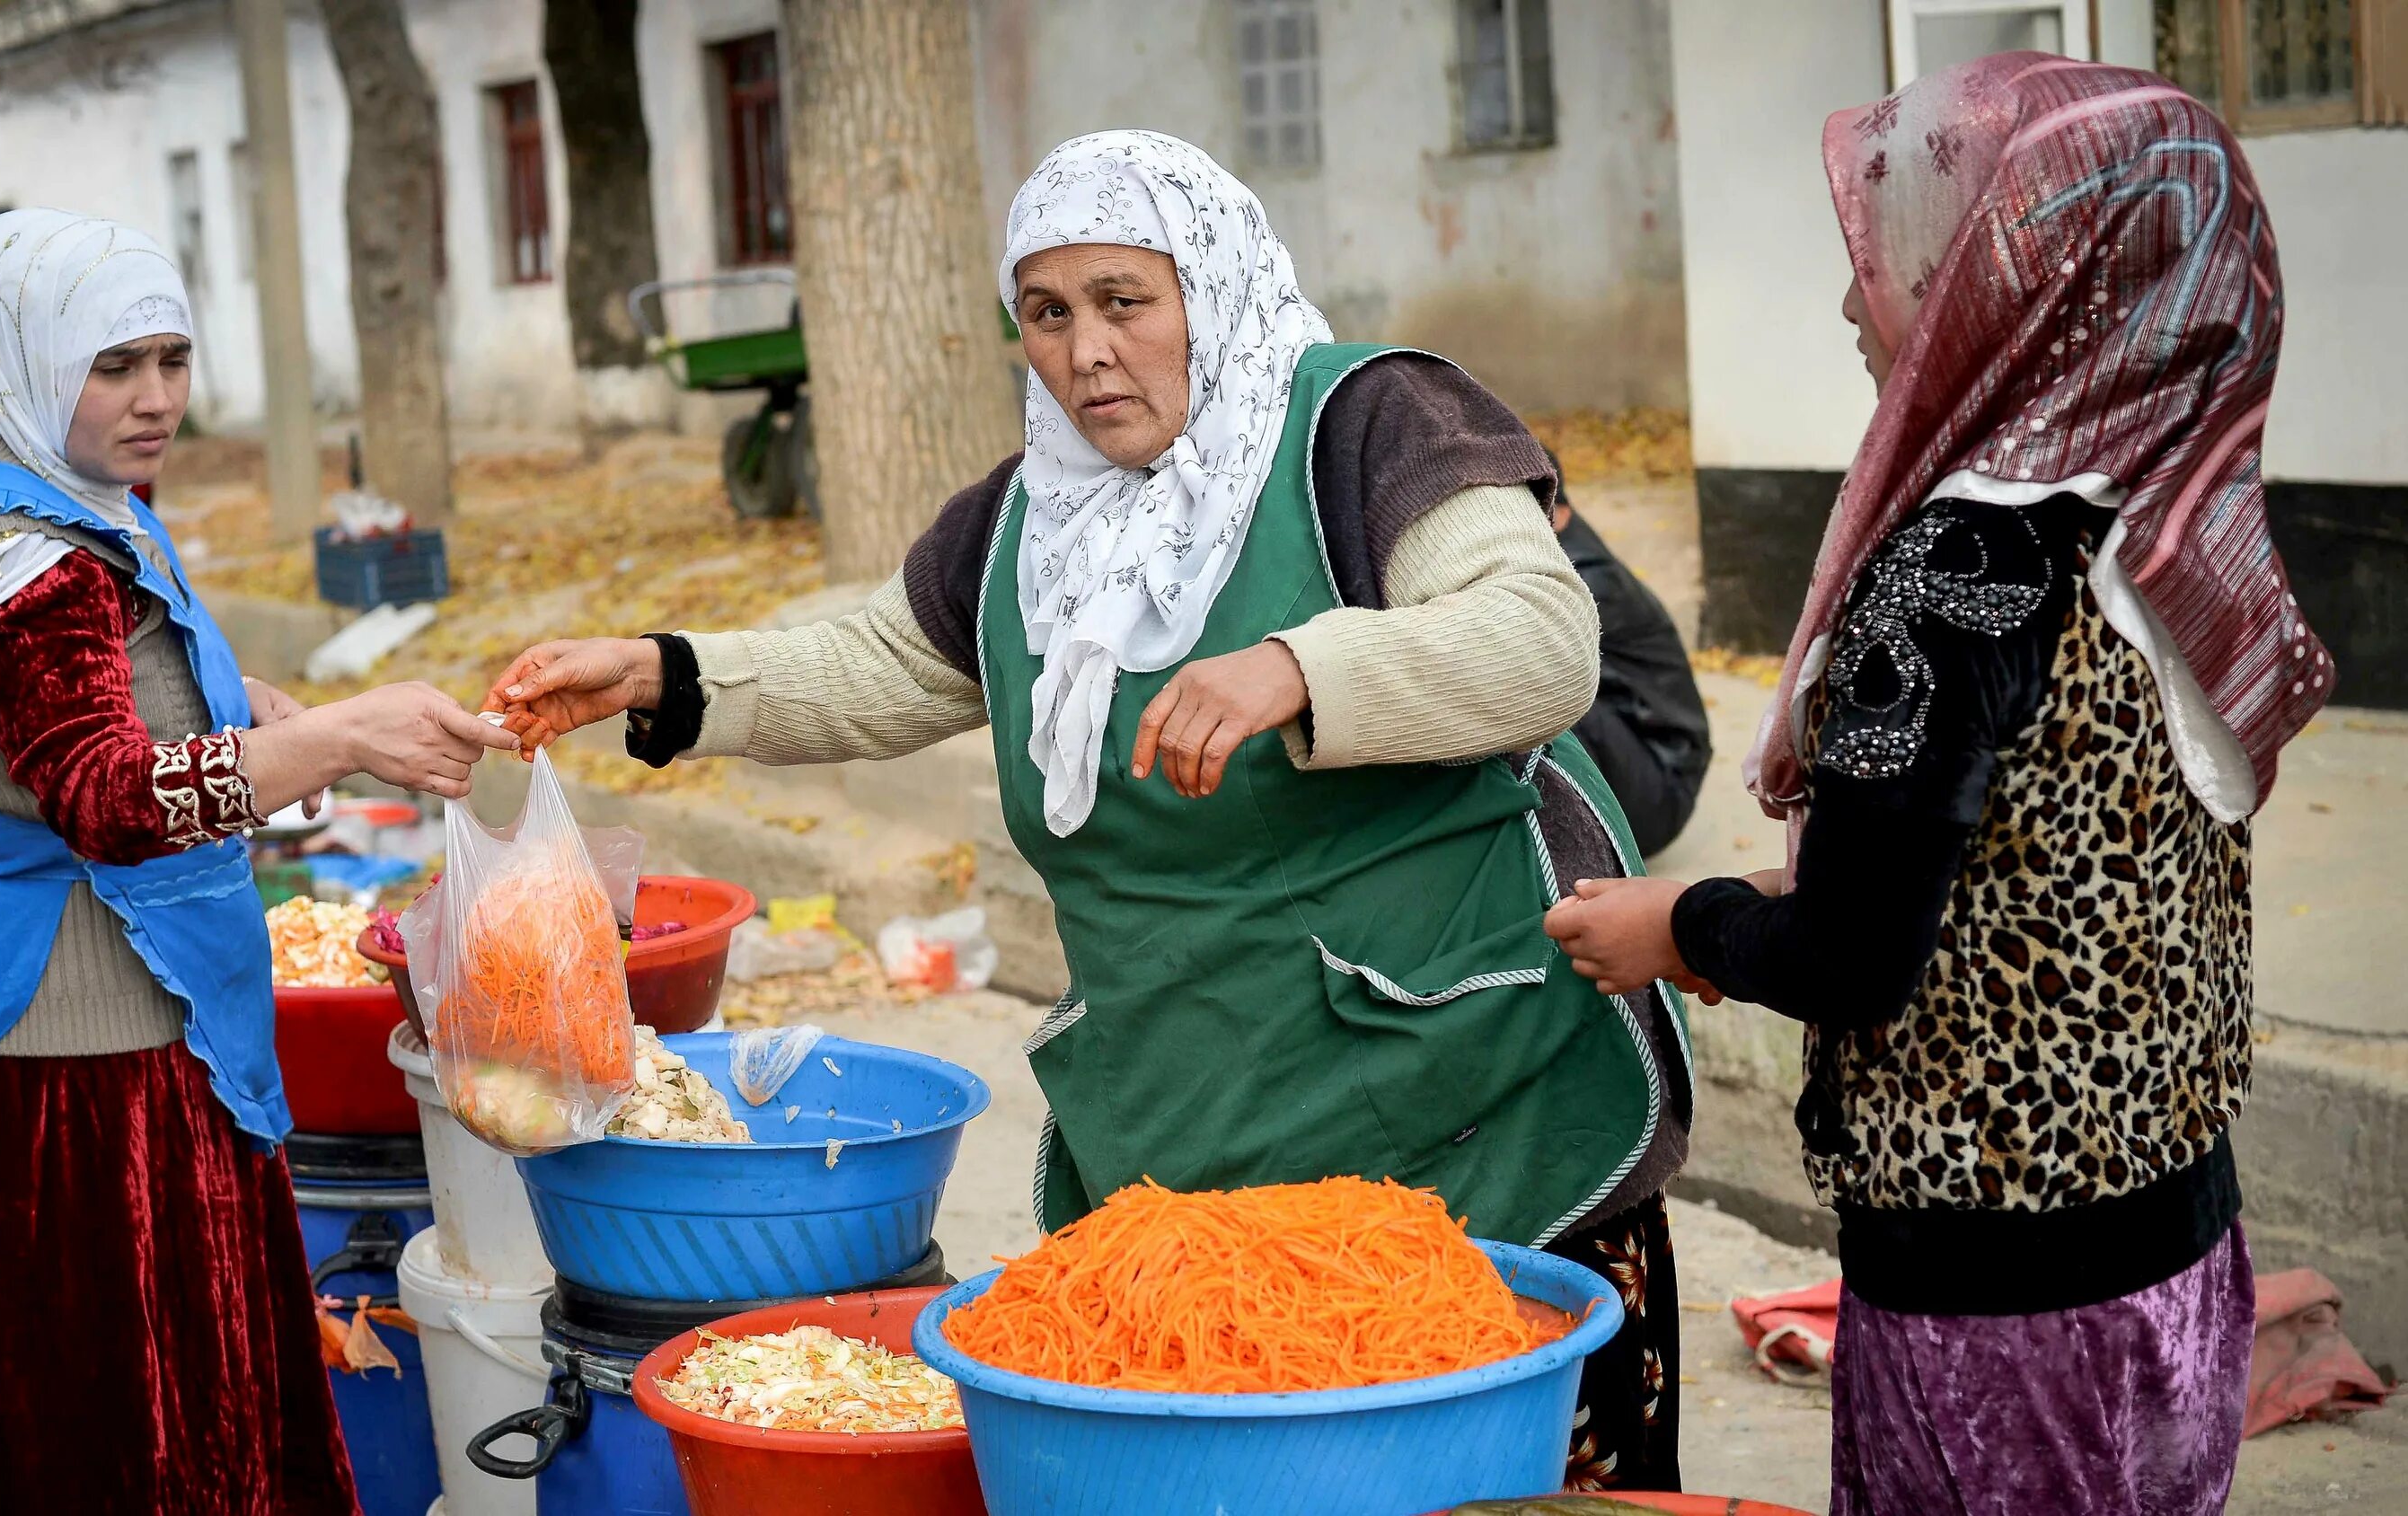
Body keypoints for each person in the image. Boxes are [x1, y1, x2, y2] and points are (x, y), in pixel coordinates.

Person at [490, 131, 1694, 1492]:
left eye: (1127, 301)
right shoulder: (1029, 513)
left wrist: (1302, 666)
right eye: (1047, 316)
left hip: (1469, 1129)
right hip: (1192, 1121)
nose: (1085, 354)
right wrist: (670, 675)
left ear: (1214, 288)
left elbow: (1539, 640)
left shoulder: (1369, 423)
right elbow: (890, 663)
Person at [1544, 55, 2326, 1516]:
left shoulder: (1954, 569)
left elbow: (1856, 954)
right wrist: (1797, 885)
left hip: (2001, 1303)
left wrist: (1683, 924)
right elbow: (2068, 859)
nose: (1855, 304)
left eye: (1895, 263)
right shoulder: (2163, 514)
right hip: (2180, 1253)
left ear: (2018, 287)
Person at [0, 209, 516, 1513]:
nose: (157, 397)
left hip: (129, 1040)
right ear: (21, 354)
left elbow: (96, 709)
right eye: (115, 366)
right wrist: (344, 729)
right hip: (85, 1072)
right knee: (147, 1443)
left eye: (172, 358)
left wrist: (257, 711)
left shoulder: (47, 500)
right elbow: (107, 797)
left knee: (154, 1430)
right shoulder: (20, 566)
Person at [1541, 452, 1710, 855]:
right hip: (1641, 763)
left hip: (1661, 790)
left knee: (1538, 689)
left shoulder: (1587, 583)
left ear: (1560, 515)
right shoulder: (1559, 557)